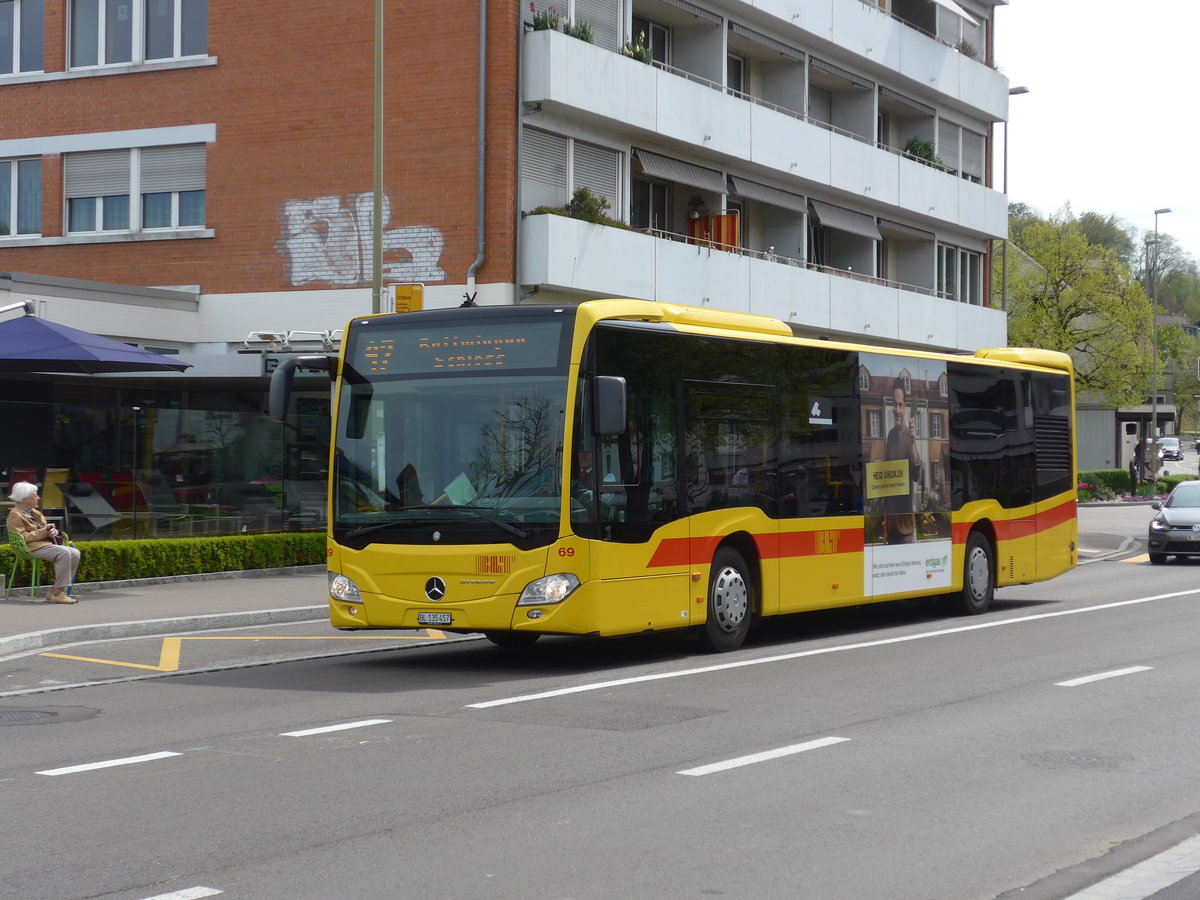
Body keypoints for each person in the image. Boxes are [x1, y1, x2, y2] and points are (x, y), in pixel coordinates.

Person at [6, 482, 82, 604]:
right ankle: (57, 593)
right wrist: (44, 532)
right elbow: (23, 537)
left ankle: (55, 590)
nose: (38, 498)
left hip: (44, 545)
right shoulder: (15, 514)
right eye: (35, 495)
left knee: (75, 553)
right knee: (64, 553)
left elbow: (46, 529)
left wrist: (53, 531)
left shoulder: (36, 513)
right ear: (25, 498)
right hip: (31, 547)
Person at [883, 377, 922, 544]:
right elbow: (886, 484)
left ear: (905, 407)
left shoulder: (910, 437)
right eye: (894, 404)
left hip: (906, 532)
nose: (897, 410)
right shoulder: (890, 437)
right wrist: (885, 529)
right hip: (891, 531)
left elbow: (917, 474)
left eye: (900, 404)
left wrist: (913, 442)